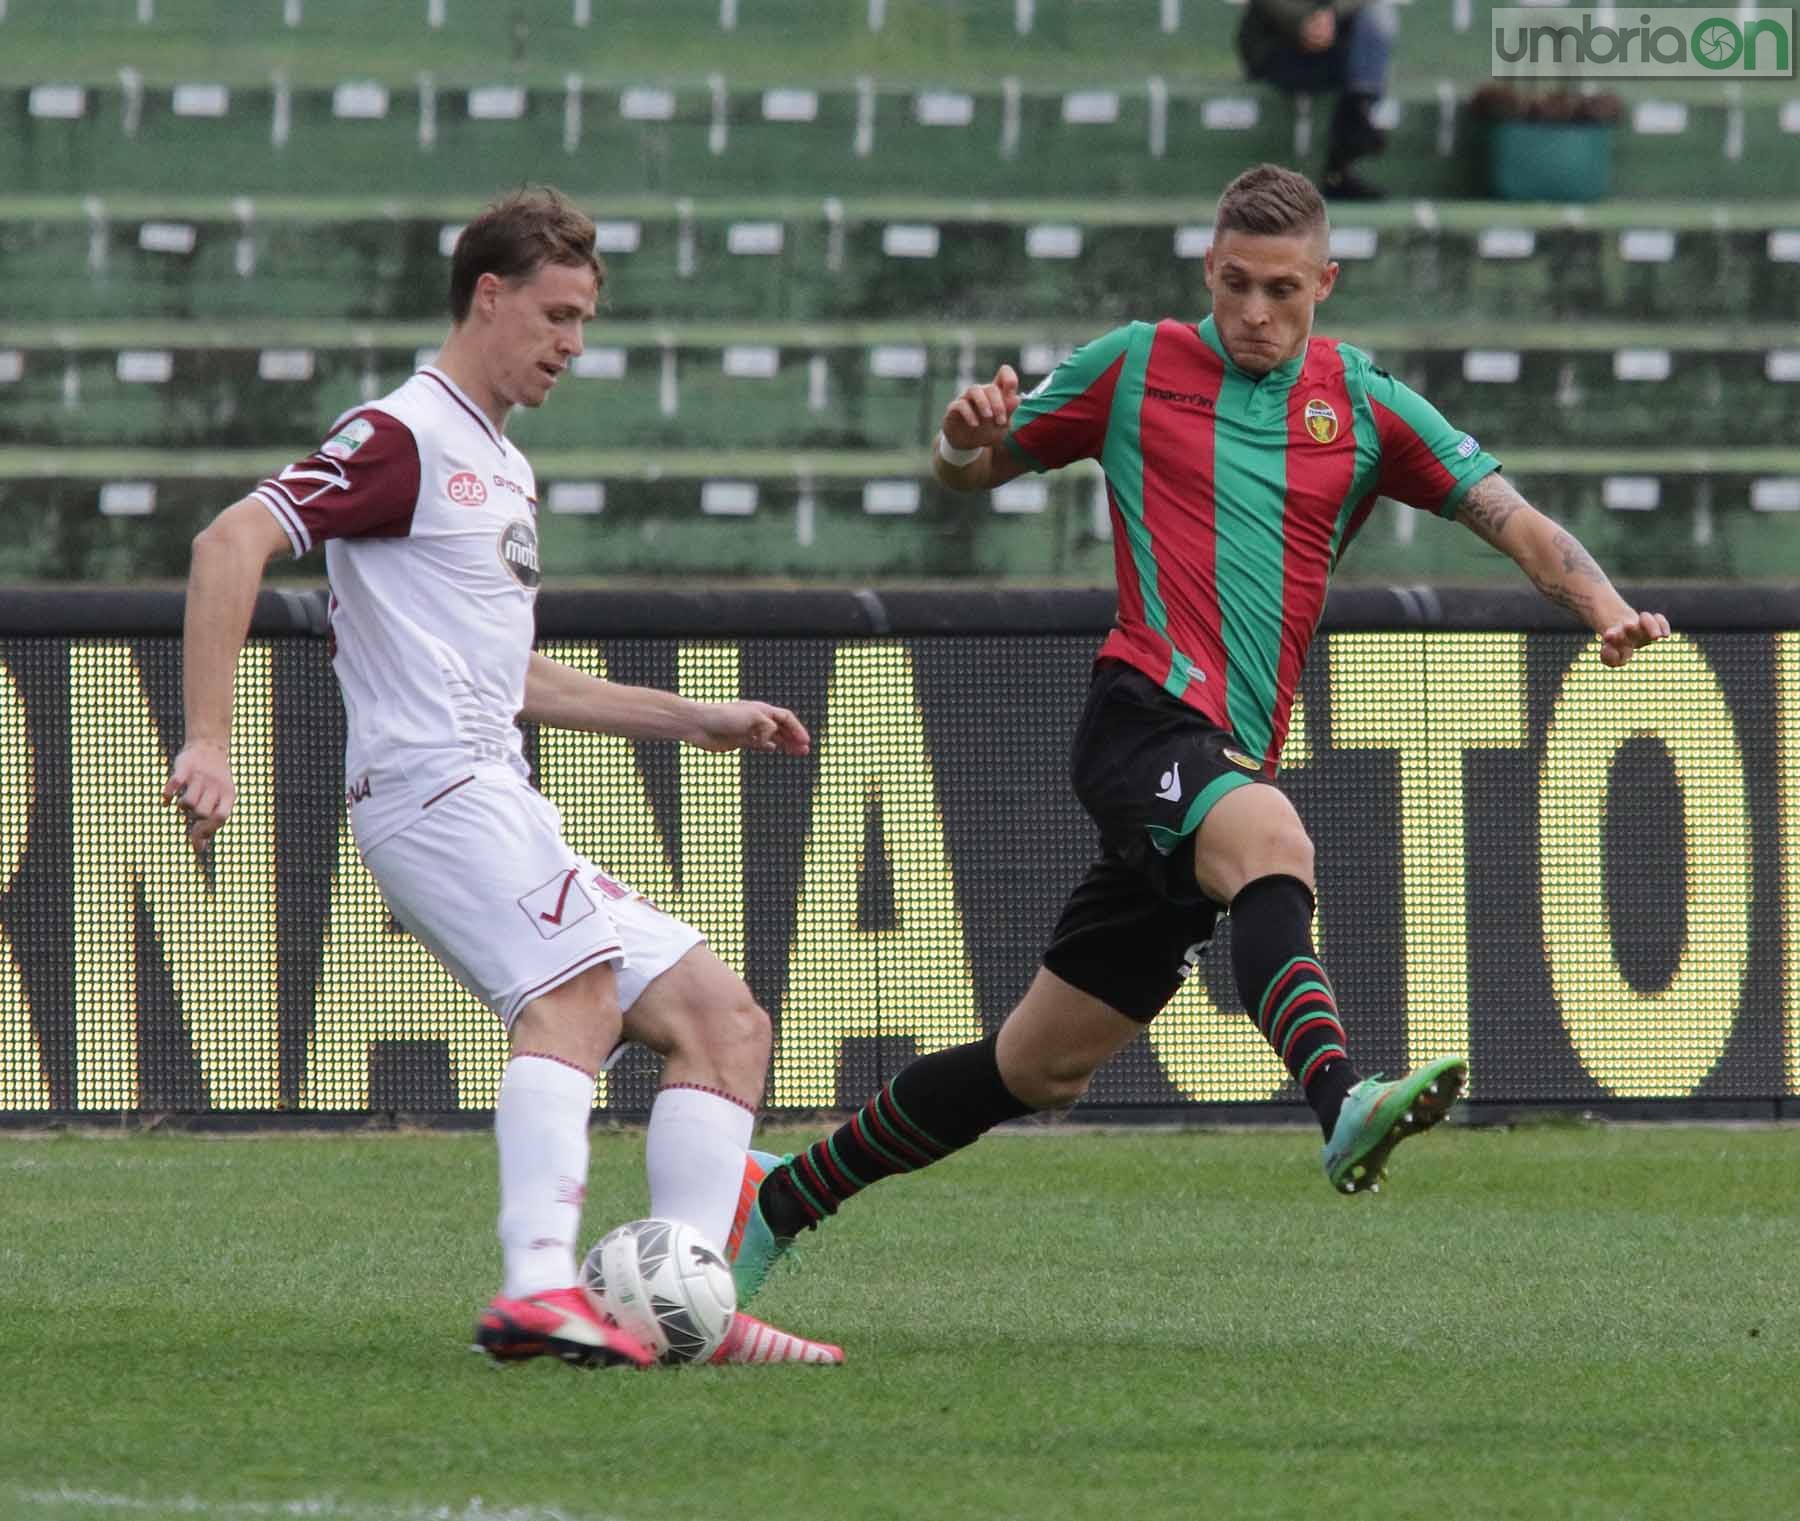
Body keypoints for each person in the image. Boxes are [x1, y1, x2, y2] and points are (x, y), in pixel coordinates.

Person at [727, 162, 1672, 1299]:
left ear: (1326, 281)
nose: (1256, 313)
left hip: (1228, 751)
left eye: (1282, 289)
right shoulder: (1133, 367)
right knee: (1273, 842)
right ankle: (1341, 1104)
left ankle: (779, 1197)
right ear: (1206, 273)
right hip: (1143, 717)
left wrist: (1607, 611)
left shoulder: (1365, 405)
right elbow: (973, 472)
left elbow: (1511, 517)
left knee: (1039, 1066)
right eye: (1235, 285)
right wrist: (955, 437)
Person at [163, 186, 841, 1370]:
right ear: (491, 296)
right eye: (560, 315)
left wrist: (695, 719)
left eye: (584, 321)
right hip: (432, 794)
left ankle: (686, 1305)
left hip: (497, 791)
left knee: (722, 1021)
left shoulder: (499, 466)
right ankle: (536, 1286)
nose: (575, 345)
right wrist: (208, 736)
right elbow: (231, 541)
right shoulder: (402, 436)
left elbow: (506, 673)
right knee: (573, 994)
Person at [1237, 0, 1396, 200]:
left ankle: (1344, 153)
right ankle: (1348, 140)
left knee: (1374, 22)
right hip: (1274, 42)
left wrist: (1331, 13)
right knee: (1342, 70)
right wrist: (1304, 20)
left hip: (1331, 40)